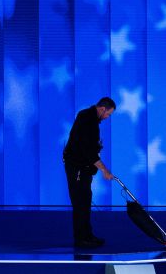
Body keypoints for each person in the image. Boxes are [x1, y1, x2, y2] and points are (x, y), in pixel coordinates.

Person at [63, 96, 116, 249]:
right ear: (102, 109)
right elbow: (88, 151)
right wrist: (105, 170)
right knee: (80, 202)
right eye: (108, 114)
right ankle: (81, 238)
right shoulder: (88, 119)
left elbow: (91, 148)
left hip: (84, 169)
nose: (107, 117)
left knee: (85, 201)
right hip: (77, 168)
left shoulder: (90, 119)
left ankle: (87, 235)